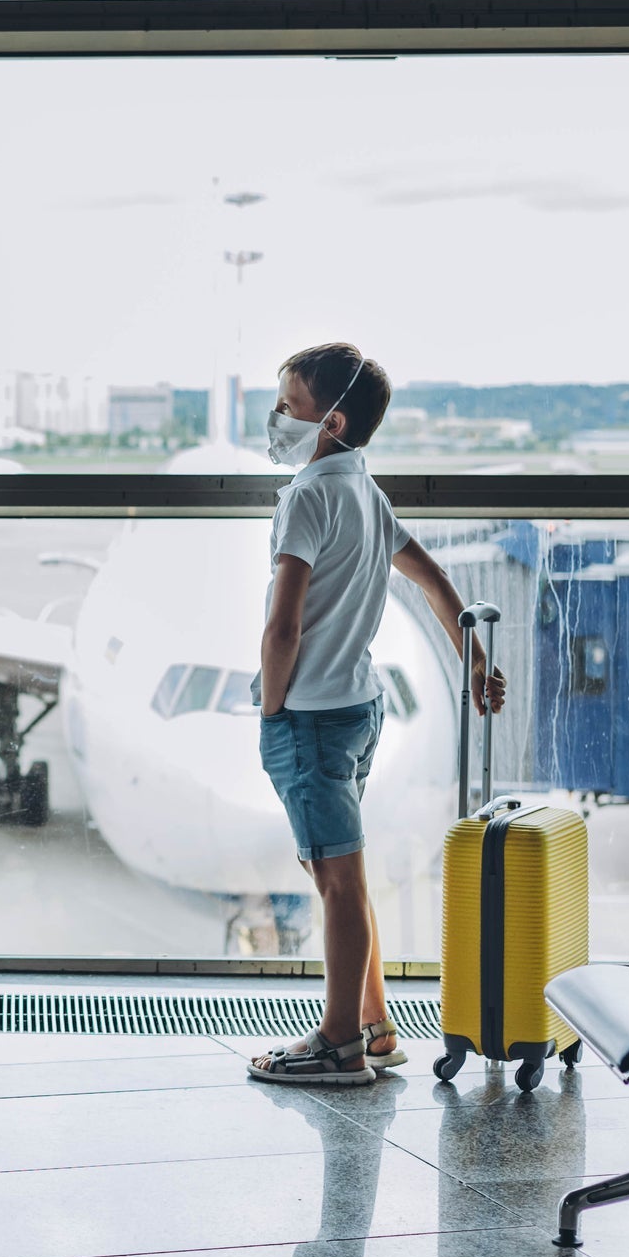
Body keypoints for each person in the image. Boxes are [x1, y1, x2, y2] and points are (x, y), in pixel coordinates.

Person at [247, 343, 505, 1086]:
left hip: (312, 717)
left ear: (329, 422)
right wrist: (474, 659)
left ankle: (338, 1045)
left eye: (287, 406)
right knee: (342, 874)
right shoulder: (364, 490)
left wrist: (272, 709)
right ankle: (374, 1023)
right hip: (359, 709)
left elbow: (283, 627)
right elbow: (434, 579)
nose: (276, 419)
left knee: (335, 882)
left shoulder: (307, 497)